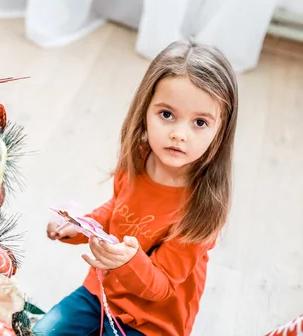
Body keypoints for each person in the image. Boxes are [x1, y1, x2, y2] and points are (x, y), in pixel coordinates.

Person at [33, 40, 239, 336]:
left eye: (200, 122)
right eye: (167, 115)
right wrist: (80, 226)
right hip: (101, 296)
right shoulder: (139, 158)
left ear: (221, 130)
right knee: (41, 332)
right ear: (145, 110)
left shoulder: (203, 207)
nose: (179, 134)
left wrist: (129, 262)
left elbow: (162, 287)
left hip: (153, 322)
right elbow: (118, 209)